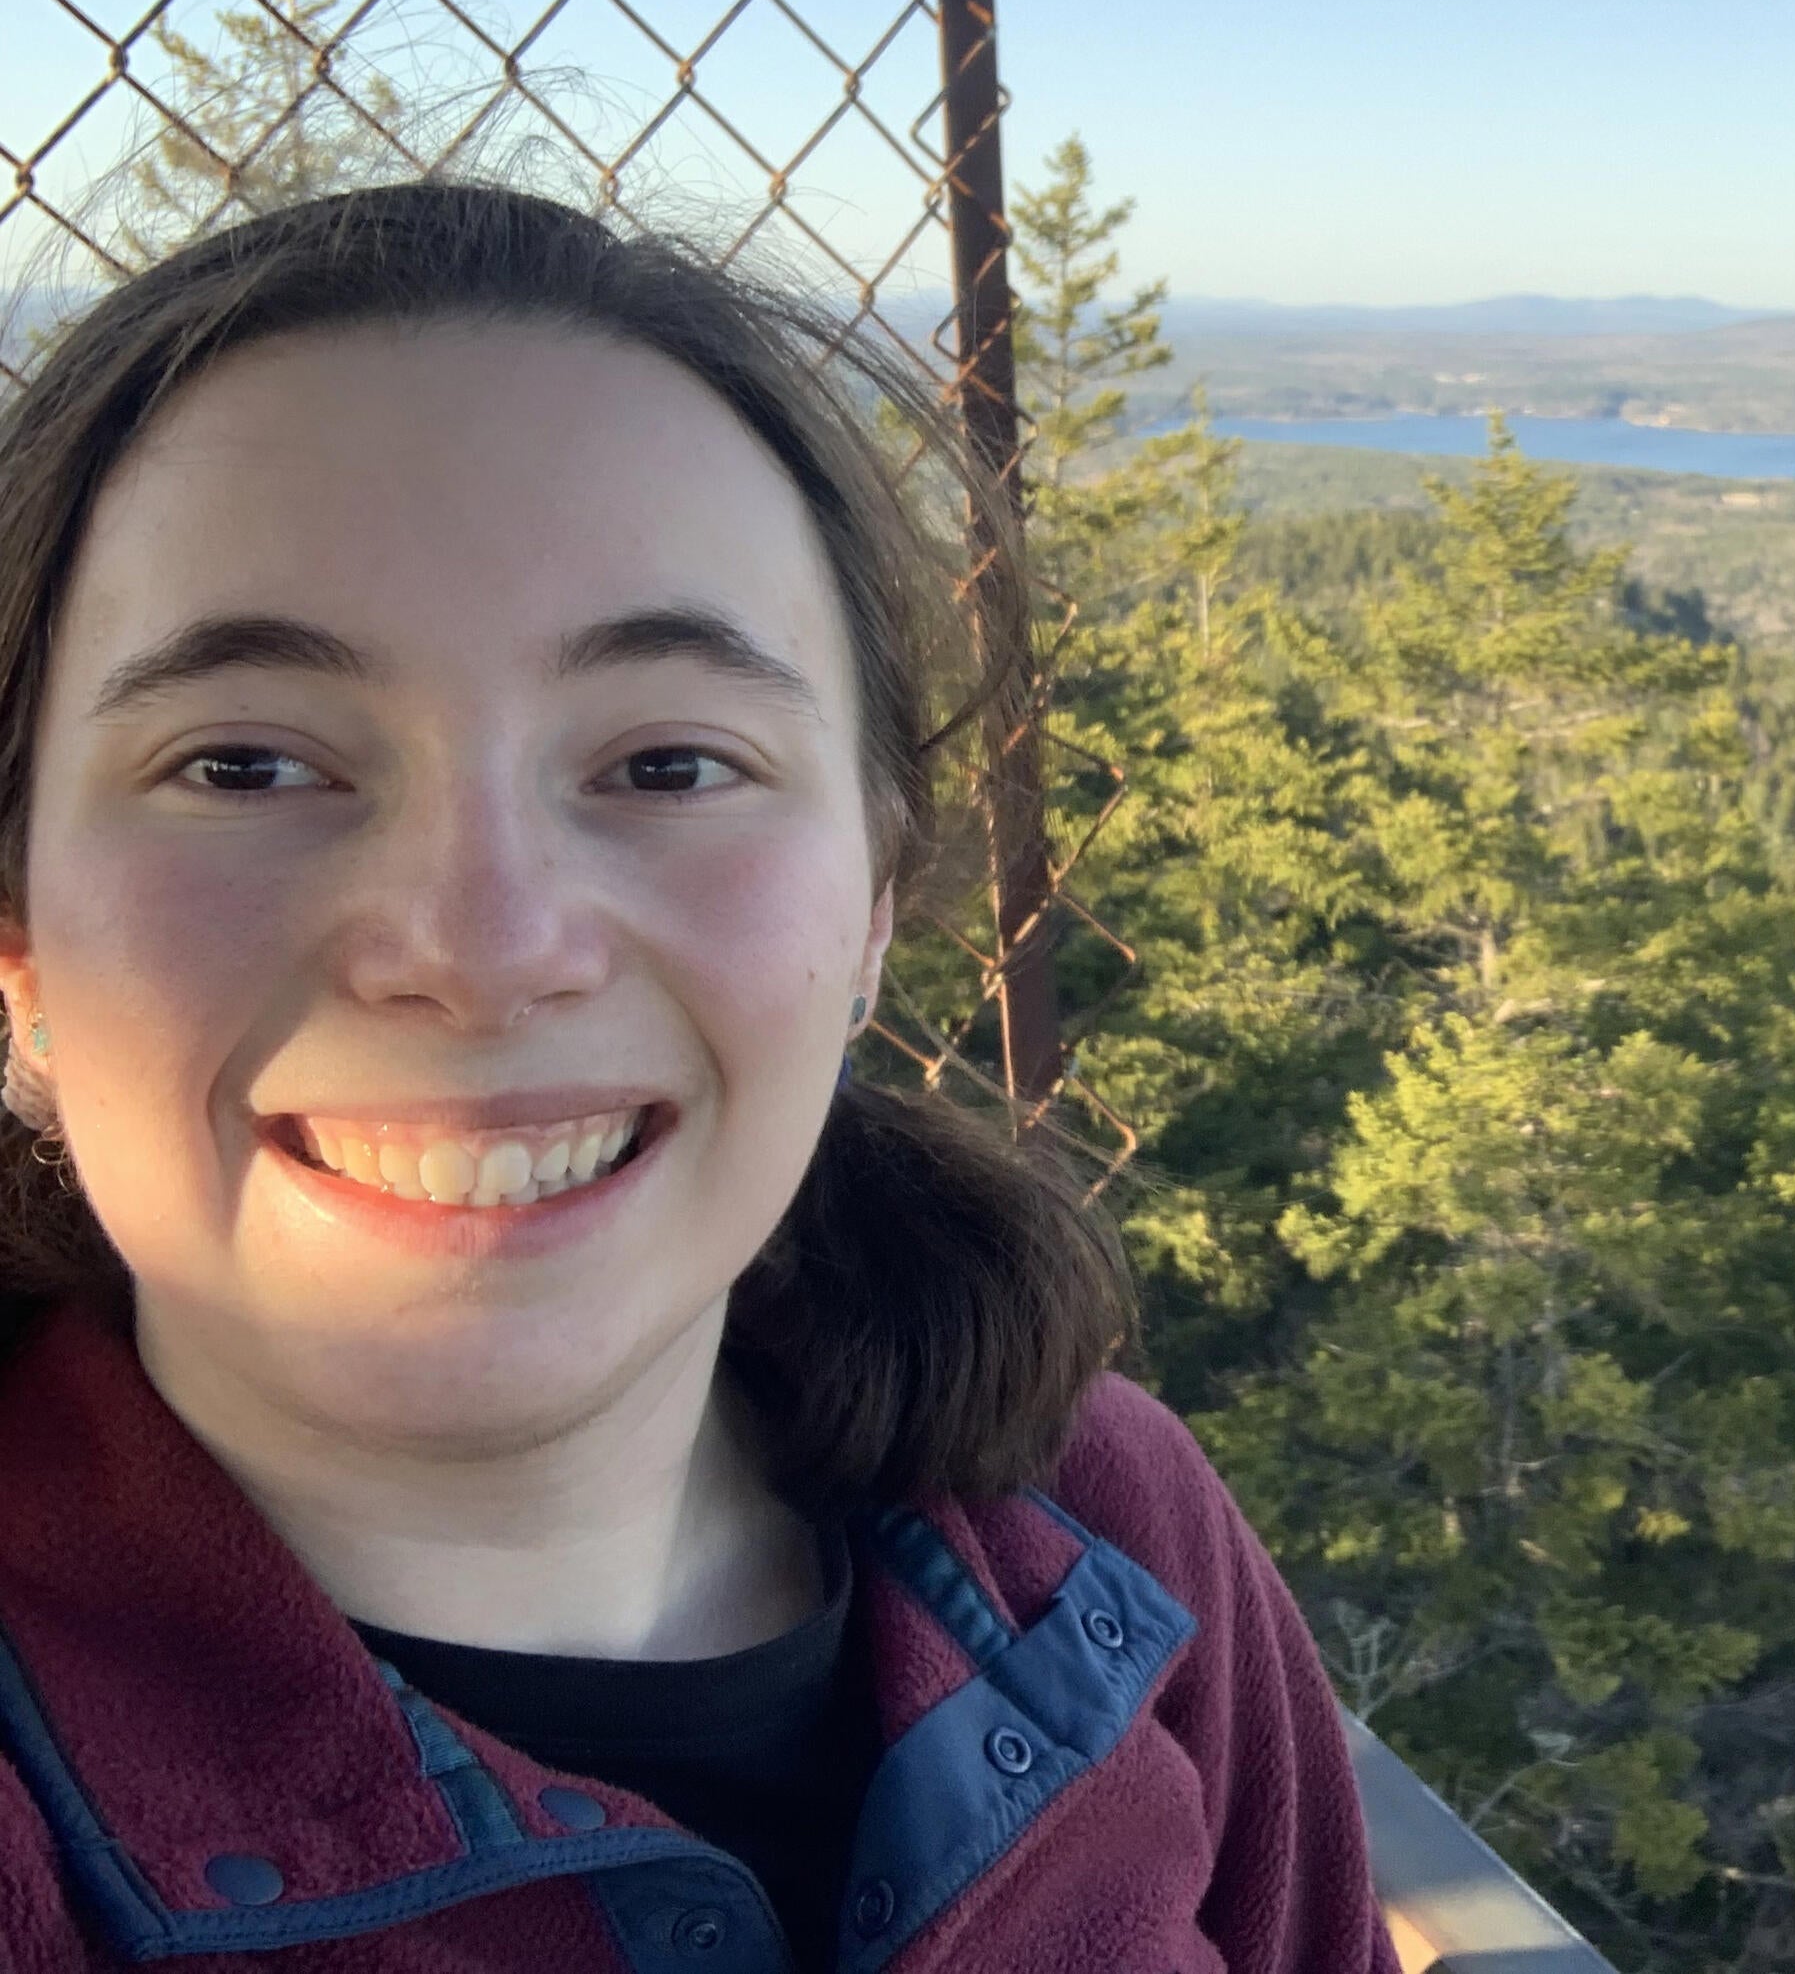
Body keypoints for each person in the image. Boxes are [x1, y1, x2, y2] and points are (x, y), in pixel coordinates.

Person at [0, 183, 1400, 1973]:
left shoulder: (1098, 1521)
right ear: (22, 939)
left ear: (876, 904)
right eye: (249, 766)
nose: (484, 940)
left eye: (669, 761)